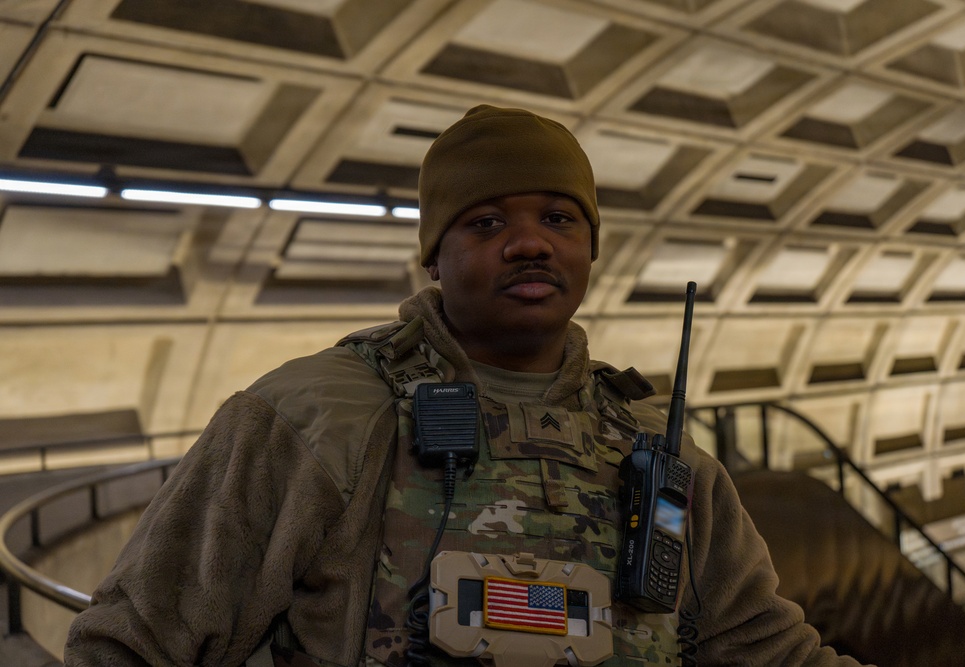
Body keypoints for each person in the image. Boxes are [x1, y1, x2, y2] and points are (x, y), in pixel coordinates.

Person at [64, 105, 867, 667]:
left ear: (591, 249)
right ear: (433, 254)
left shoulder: (658, 446)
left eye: (559, 218)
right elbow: (136, 642)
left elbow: (759, 646)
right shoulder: (313, 416)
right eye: (486, 222)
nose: (528, 243)